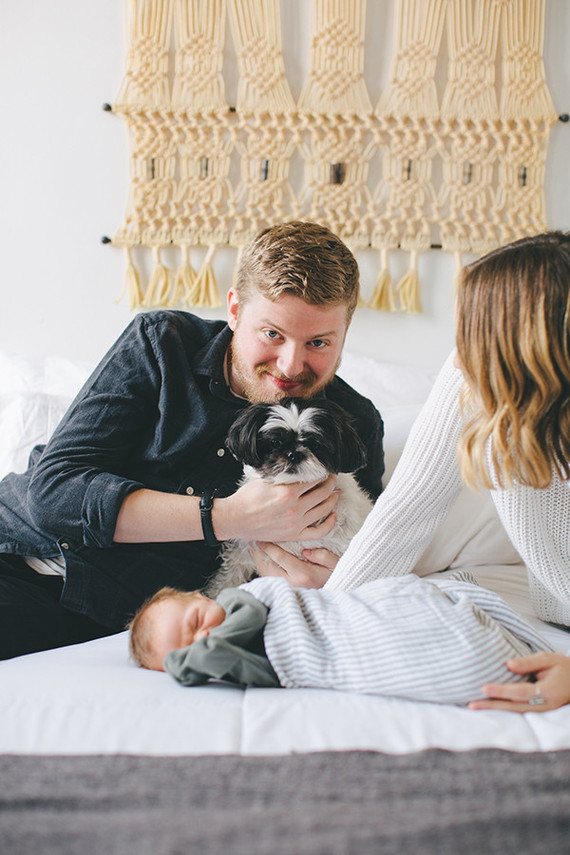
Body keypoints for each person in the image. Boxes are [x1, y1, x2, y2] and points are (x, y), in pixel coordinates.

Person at [0, 222, 384, 660]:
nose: (291, 365)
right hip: (25, 554)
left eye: (318, 342)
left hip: (142, 625)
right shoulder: (162, 344)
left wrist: (331, 583)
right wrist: (227, 517)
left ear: (344, 336)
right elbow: (53, 494)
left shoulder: (355, 424)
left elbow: (375, 552)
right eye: (272, 334)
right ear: (235, 310)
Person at [252, 231, 570, 713]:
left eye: (478, 328)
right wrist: (313, 623)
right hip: (551, 615)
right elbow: (406, 513)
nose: (464, 344)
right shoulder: (473, 368)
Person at [127, 574, 552, 707]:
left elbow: (253, 617)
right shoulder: (226, 656)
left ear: (205, 599)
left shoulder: (244, 600)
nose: (204, 637)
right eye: (186, 650)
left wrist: (190, 656)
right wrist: (199, 661)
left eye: (198, 621)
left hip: (345, 617)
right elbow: (267, 674)